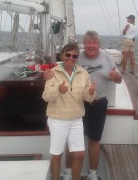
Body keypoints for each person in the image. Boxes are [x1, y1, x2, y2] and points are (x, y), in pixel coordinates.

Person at [44, 30, 122, 180]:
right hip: (78, 105)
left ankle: (92, 173)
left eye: (94, 43)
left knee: (94, 140)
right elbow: (59, 69)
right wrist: (44, 74)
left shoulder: (108, 59)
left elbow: (119, 80)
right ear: (83, 44)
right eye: (88, 42)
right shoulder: (76, 57)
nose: (91, 45)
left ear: (99, 44)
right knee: (70, 143)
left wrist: (116, 76)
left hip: (98, 104)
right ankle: (67, 172)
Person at [42, 42, 96, 180]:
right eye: (68, 54)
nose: (71, 58)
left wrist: (90, 92)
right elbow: (46, 97)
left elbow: (87, 98)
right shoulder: (52, 73)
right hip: (57, 119)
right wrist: (58, 90)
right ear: (62, 55)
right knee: (57, 154)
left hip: (76, 119)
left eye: (75, 56)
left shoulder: (83, 73)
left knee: (79, 154)